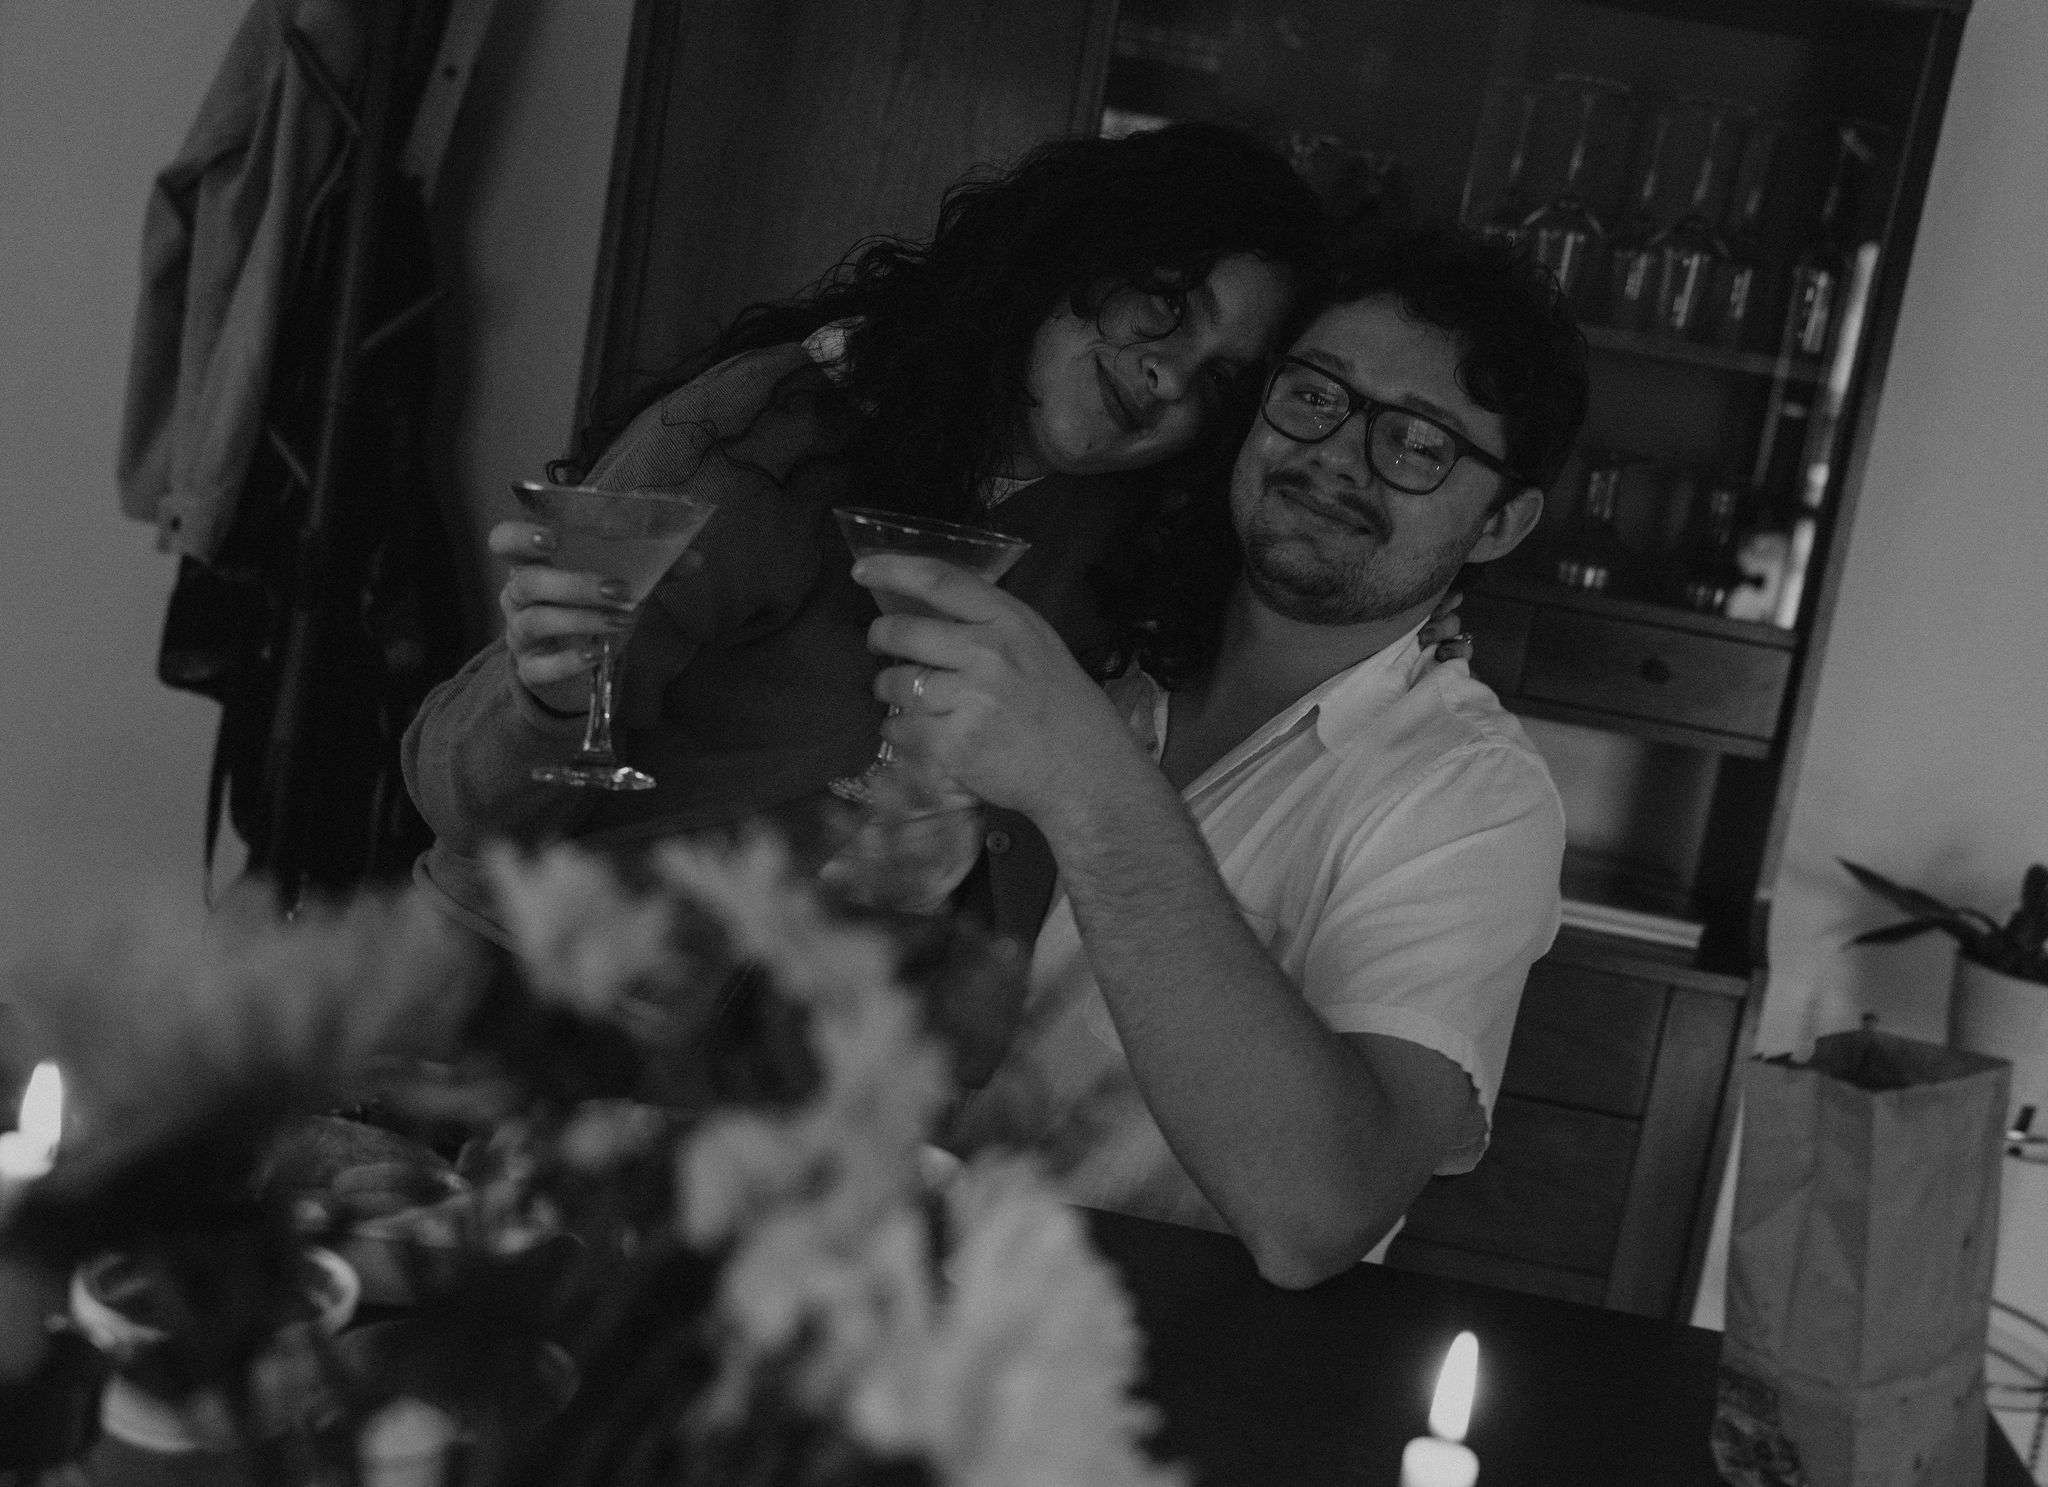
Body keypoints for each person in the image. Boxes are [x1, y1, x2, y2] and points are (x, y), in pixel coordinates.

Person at [847, 222, 1588, 1288]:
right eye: (1314, 394)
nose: (1335, 452)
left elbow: (1316, 1210)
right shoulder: (1098, 647)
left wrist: (1085, 781)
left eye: (1417, 444)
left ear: (1500, 522)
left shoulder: (1471, 799)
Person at [401, 123, 1336, 947]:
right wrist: (547, 700)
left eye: (1220, 380)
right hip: (512, 972)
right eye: (1168, 307)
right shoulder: (769, 441)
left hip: (724, 1069)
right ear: (1074, 251)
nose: (1172, 379)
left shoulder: (1107, 533)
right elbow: (462, 804)